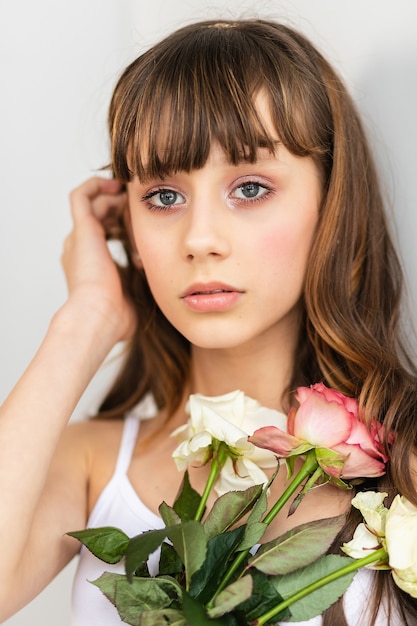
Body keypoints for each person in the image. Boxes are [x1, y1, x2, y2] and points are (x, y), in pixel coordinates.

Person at [0, 18, 416, 626]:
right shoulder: (88, 464)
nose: (198, 239)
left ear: (333, 204)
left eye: (249, 187)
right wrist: (86, 318)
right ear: (131, 233)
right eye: (163, 197)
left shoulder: (406, 457)